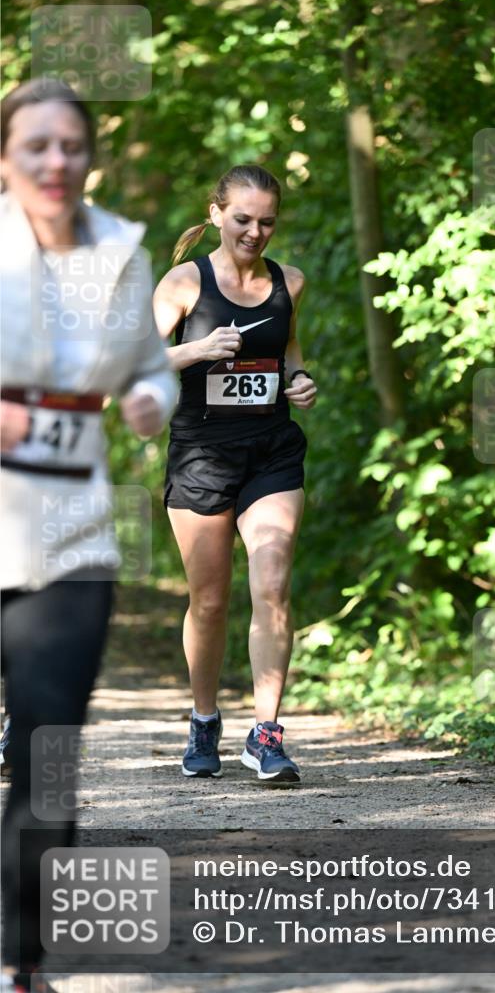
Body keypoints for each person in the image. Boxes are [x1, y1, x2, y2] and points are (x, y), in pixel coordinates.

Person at [0, 78, 177, 992]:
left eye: (71, 145)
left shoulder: (122, 252)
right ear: (7, 157)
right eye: (37, 145)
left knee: (49, 753)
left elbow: (151, 363)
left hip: (70, 535)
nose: (56, 161)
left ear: (90, 156)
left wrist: (153, 396)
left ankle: (22, 962)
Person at [153, 164, 317, 784]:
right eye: (243, 219)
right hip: (201, 454)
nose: (255, 231)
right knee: (211, 600)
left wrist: (298, 380)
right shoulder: (183, 283)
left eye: (267, 221)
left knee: (272, 578)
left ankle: (267, 734)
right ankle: (204, 721)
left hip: (271, 450)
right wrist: (197, 349)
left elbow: (289, 349)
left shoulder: (289, 282)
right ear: (217, 213)